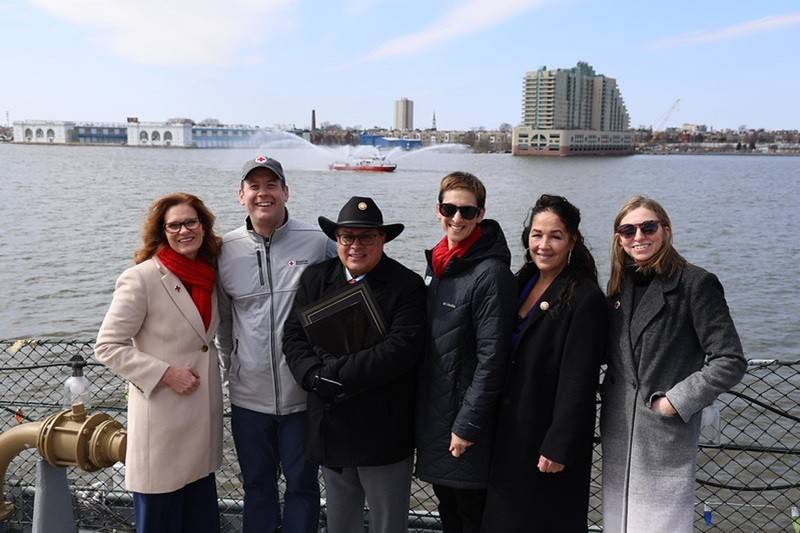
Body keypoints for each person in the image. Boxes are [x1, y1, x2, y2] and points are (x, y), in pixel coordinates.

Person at [601, 196, 746, 533]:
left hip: (664, 434)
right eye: (628, 230)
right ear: (618, 239)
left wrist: (676, 401)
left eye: (648, 227)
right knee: (618, 523)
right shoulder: (617, 288)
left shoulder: (695, 283)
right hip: (619, 430)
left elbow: (730, 360)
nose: (638, 236)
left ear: (665, 230)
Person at [283, 196, 426, 533]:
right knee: (339, 524)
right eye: (347, 237)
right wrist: (313, 377)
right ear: (336, 240)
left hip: (383, 433)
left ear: (383, 239)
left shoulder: (407, 286)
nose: (355, 245)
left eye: (366, 237)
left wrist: (333, 376)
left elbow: (400, 350)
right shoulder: (315, 279)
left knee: (387, 525)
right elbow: (293, 337)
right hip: (331, 428)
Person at [215, 155, 336, 533]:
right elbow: (223, 322)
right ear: (241, 195)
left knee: (303, 487)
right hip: (249, 398)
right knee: (257, 487)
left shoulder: (318, 243)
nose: (263, 193)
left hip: (303, 396)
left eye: (272, 185)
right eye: (254, 186)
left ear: (286, 191)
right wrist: (227, 374)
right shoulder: (223, 249)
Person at [95, 193, 224, 533]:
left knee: (201, 524)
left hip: (201, 426)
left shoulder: (208, 275)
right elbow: (107, 346)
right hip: (163, 427)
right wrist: (165, 374)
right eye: (174, 225)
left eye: (191, 222)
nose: (184, 231)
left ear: (204, 226)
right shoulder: (141, 278)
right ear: (162, 232)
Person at [481, 194, 608, 532]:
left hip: (546, 444)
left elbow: (578, 381)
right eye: (537, 234)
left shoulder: (585, 297)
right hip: (508, 432)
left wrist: (558, 445)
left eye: (555, 236)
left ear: (572, 241)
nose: (544, 244)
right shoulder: (522, 280)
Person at [415, 172, 516, 533]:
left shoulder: (490, 273)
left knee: (471, 514)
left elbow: (493, 358)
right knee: (450, 511)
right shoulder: (440, 263)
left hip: (465, 424)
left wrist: (467, 425)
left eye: (467, 211)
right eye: (449, 208)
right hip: (437, 415)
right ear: (437, 209)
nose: (457, 218)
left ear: (481, 214)